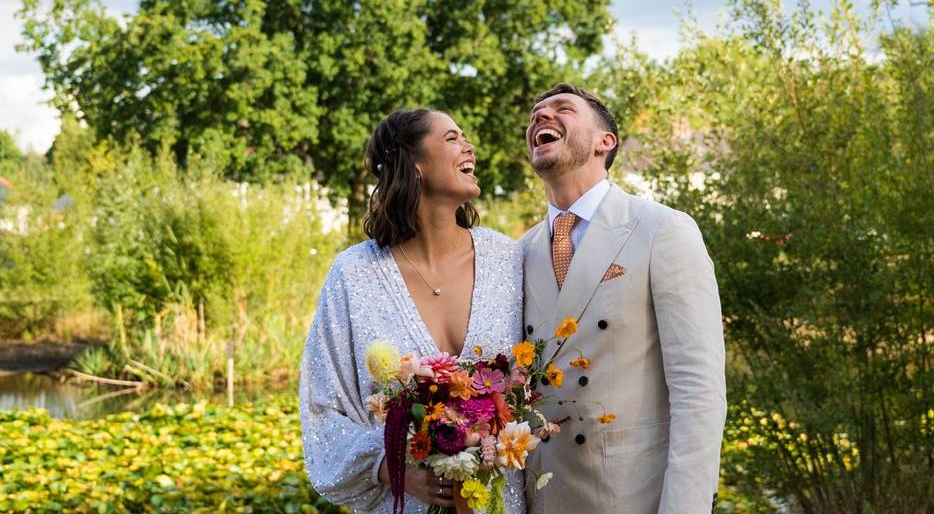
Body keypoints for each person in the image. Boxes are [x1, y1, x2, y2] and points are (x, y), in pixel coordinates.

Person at [299, 108, 526, 514]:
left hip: (502, 501)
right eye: (452, 138)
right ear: (415, 164)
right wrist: (391, 467)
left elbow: (543, 381)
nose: (469, 145)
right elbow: (322, 407)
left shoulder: (510, 258)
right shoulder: (354, 275)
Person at [521, 83, 727, 514]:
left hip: (631, 495)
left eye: (562, 109)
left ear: (604, 142)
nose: (541, 117)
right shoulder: (517, 253)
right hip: (540, 496)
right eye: (536, 114)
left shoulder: (662, 229)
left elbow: (698, 387)